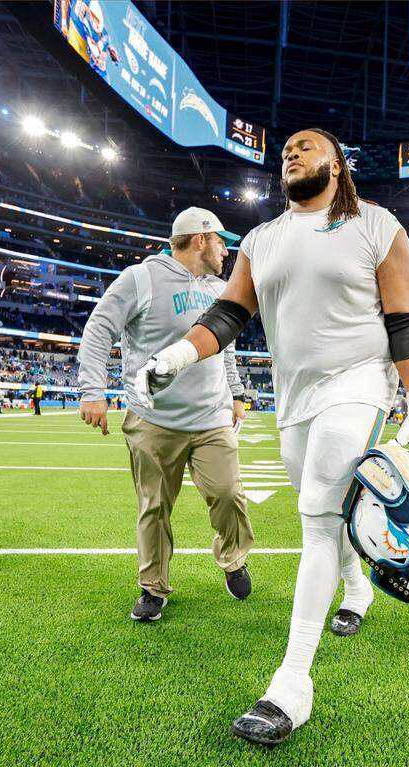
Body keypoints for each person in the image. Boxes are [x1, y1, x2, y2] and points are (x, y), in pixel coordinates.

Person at [139, 128, 409, 745]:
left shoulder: (377, 225)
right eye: (285, 151)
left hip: (359, 381)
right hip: (295, 399)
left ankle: (291, 683)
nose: (291, 154)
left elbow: (403, 319)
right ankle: (356, 584)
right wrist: (174, 358)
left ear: (337, 163)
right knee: (326, 514)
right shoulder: (262, 239)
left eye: (305, 146)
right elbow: (227, 315)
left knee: (317, 512)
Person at [77, 206, 255, 623]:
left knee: (230, 494)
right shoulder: (141, 278)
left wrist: (236, 392)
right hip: (153, 419)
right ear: (200, 239)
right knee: (154, 507)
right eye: (221, 242)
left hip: (211, 417)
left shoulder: (220, 289)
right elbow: (98, 328)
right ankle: (153, 587)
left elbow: (224, 346)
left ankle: (232, 557)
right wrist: (92, 391)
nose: (226, 251)